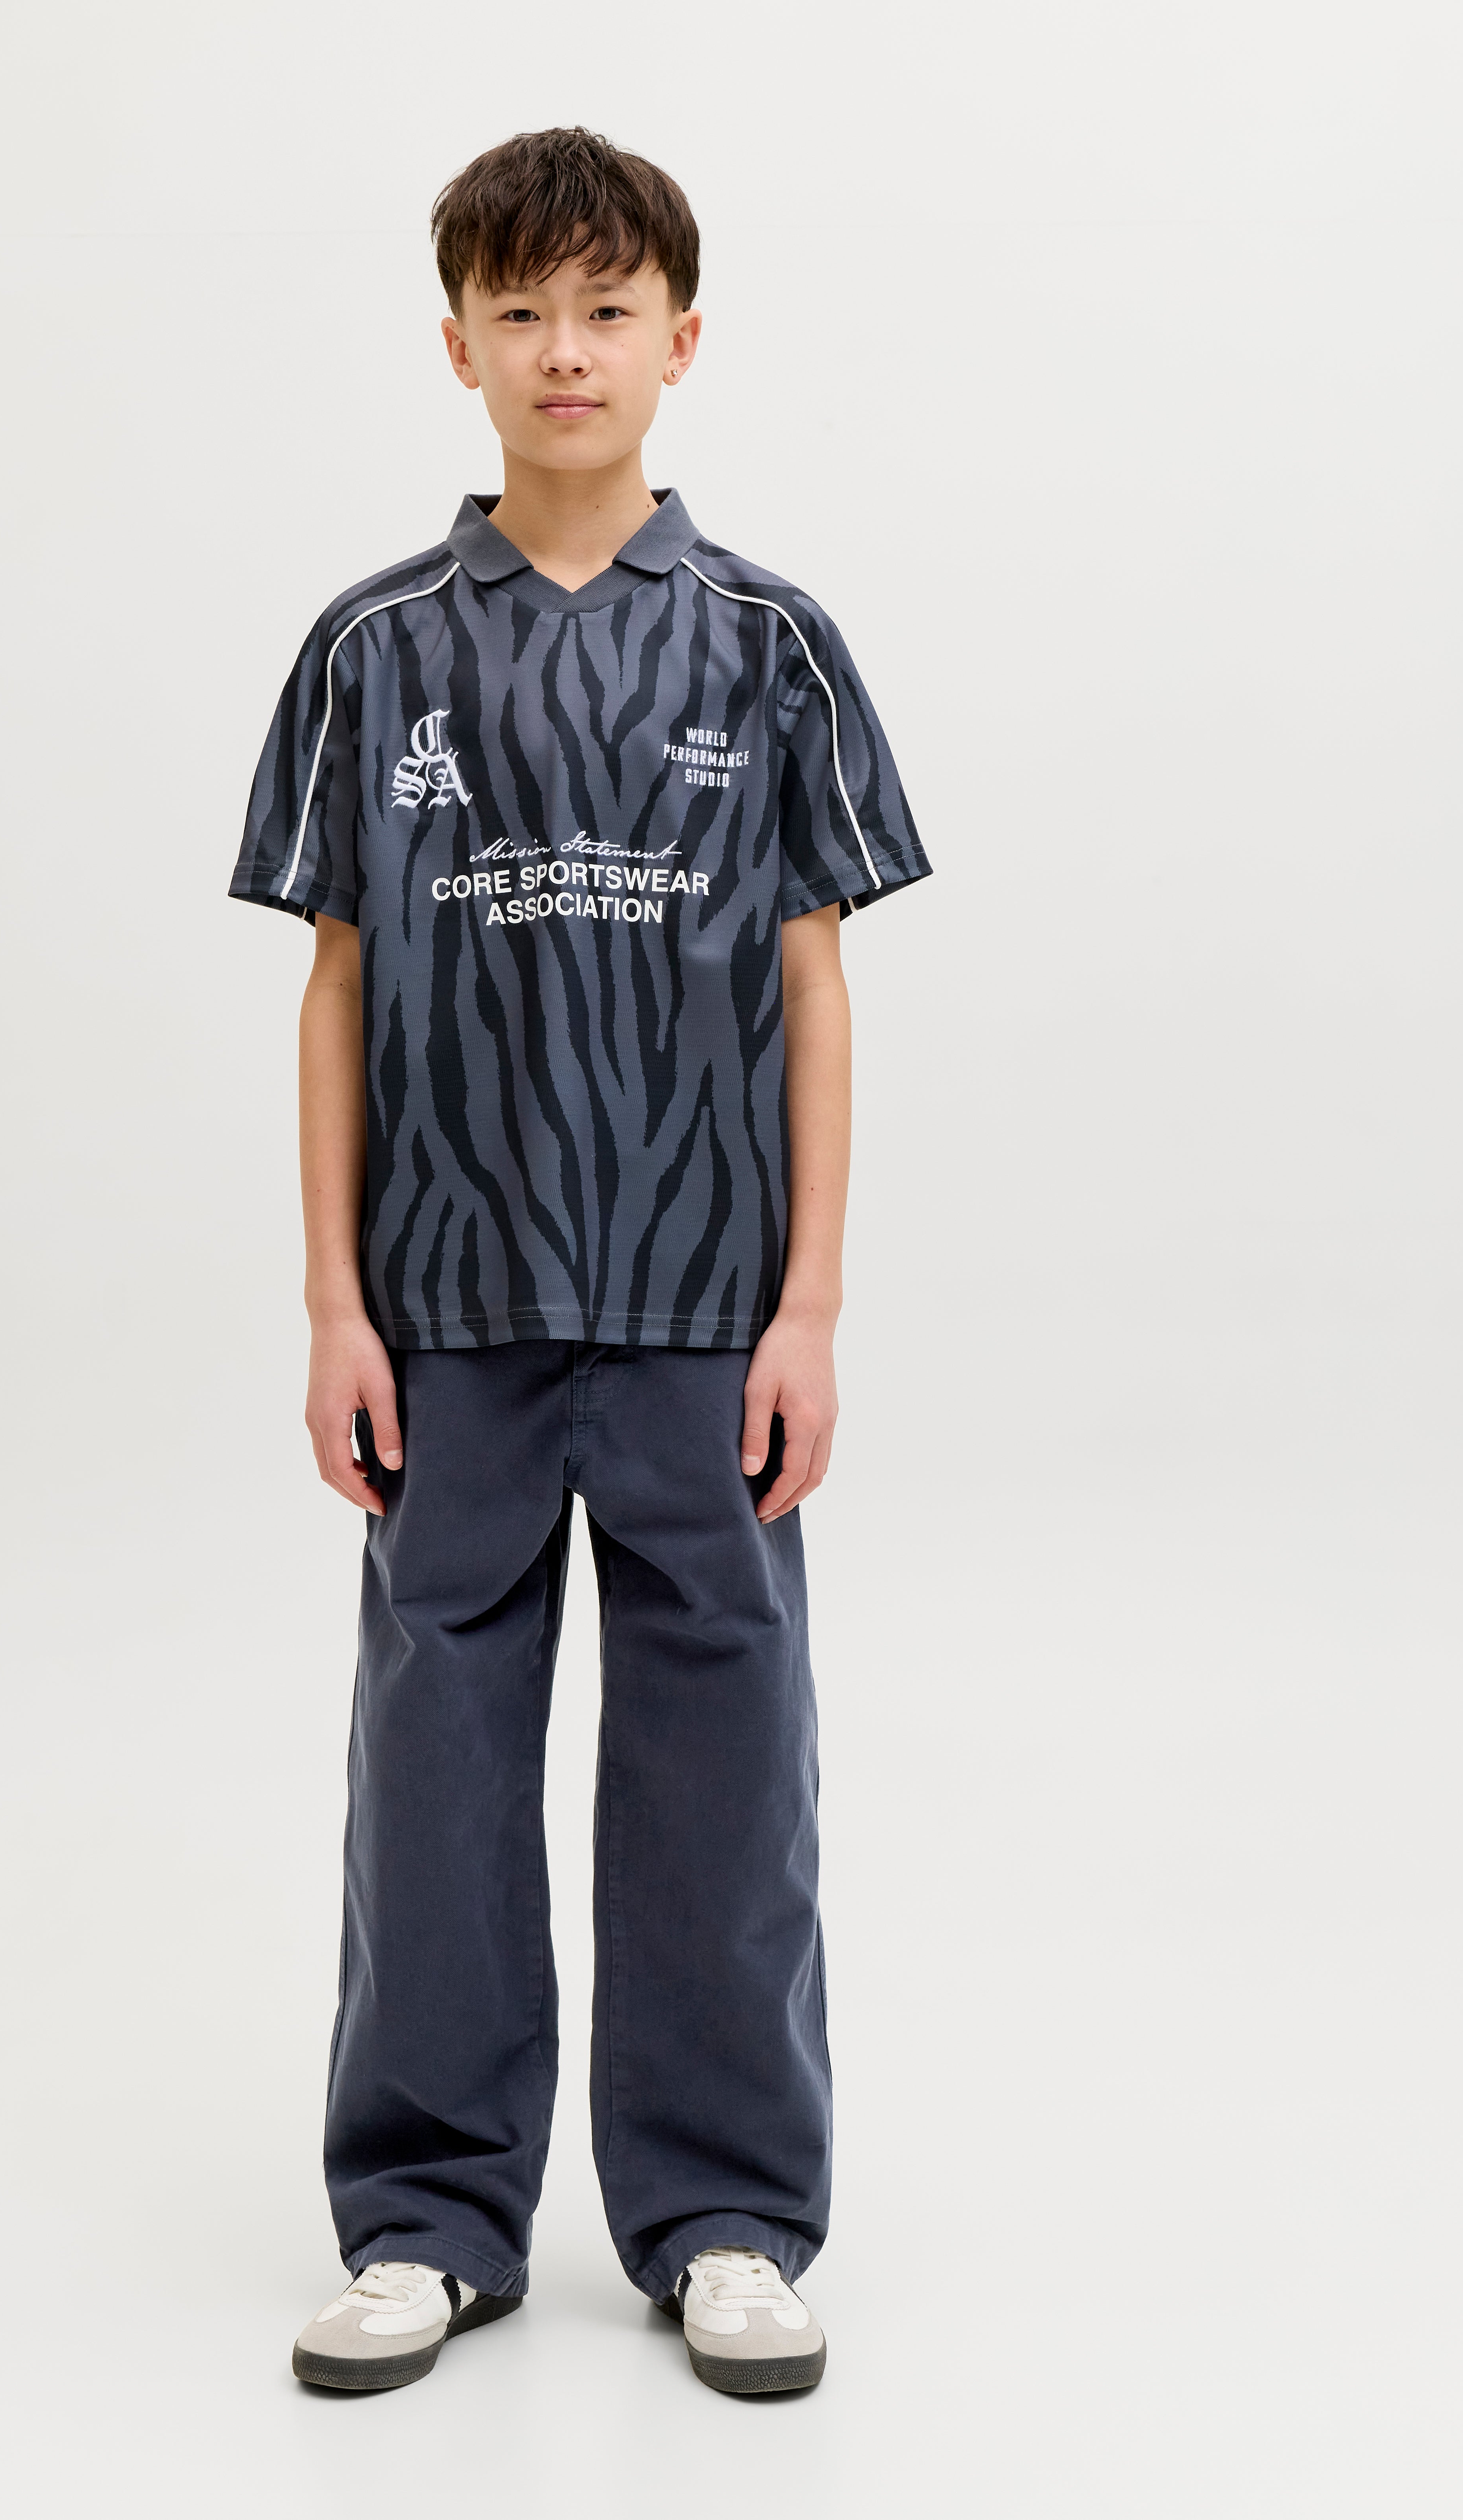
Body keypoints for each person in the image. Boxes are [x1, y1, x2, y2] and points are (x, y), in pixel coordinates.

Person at [230, 126, 930, 2397]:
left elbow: (816, 984)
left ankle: (725, 2214)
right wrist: (334, 1304)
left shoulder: (772, 645)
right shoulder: (374, 651)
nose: (565, 349)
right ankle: (426, 2218)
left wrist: (810, 1306)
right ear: (456, 342)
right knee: (433, 1762)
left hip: (706, 1310)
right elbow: (335, 986)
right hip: (445, 1311)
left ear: (680, 341)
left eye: (607, 309)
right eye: (519, 310)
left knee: (725, 1767)